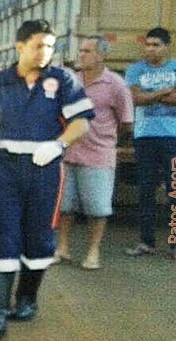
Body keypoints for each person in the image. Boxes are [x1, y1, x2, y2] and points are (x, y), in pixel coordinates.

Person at [0, 19, 93, 341]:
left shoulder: (62, 79)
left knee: (38, 237)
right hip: (7, 169)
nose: (45, 52)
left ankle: (26, 300)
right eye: (39, 45)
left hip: (45, 169)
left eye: (50, 46)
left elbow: (81, 122)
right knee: (3, 236)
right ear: (19, 46)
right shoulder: (0, 83)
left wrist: (58, 144)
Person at [55, 36, 134, 269]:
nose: (81, 55)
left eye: (87, 51)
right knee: (65, 206)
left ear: (101, 55)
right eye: (80, 51)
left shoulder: (116, 85)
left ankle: (93, 252)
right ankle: (63, 248)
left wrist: (107, 140)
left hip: (98, 156)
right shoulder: (71, 81)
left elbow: (127, 122)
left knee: (96, 209)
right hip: (69, 154)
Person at [123, 27, 176, 262]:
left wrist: (149, 94)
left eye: (156, 45)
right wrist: (164, 91)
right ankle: (146, 242)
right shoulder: (135, 70)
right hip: (145, 137)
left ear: (166, 46)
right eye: (148, 44)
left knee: (175, 190)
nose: (150, 49)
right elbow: (135, 99)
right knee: (146, 190)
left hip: (174, 137)